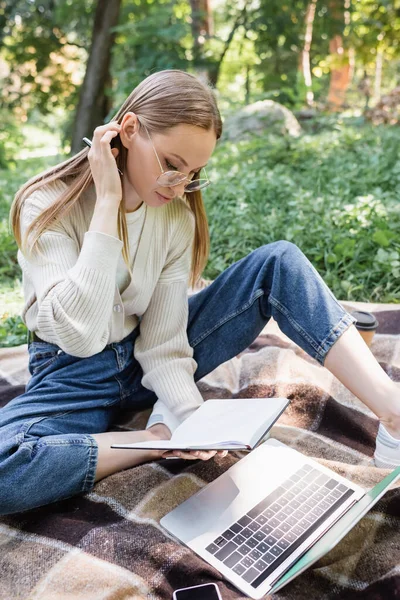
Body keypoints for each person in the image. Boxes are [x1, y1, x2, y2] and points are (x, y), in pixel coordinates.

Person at [1, 69, 399, 516]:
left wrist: (191, 417)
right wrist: (108, 204)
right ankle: (147, 439)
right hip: (72, 376)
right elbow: (79, 336)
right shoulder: (47, 203)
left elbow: (164, 340)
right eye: (172, 165)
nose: (178, 186)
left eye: (193, 173)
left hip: (139, 360)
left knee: (278, 262)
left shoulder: (174, 217)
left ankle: (393, 412)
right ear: (129, 130)